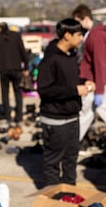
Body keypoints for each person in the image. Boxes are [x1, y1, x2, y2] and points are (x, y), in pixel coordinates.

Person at [37, 18, 92, 186]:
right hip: (55, 120)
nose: (81, 38)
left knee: (70, 162)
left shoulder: (72, 56)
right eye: (78, 35)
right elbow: (45, 90)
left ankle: (69, 197)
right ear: (67, 36)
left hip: (72, 117)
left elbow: (69, 80)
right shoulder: (50, 59)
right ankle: (53, 200)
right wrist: (75, 91)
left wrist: (84, 82)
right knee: (53, 164)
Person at [72, 4, 106, 142]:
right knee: (86, 115)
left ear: (85, 18)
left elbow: (100, 62)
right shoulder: (91, 34)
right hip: (94, 82)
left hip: (96, 83)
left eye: (78, 22)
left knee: (87, 115)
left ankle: (69, 146)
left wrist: (99, 90)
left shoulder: (96, 35)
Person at [0, 22, 29, 124]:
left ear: (0, 28)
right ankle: (19, 116)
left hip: (3, 69)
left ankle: (7, 116)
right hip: (16, 68)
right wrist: (26, 67)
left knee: (5, 93)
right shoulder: (16, 36)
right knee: (18, 93)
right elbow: (23, 52)